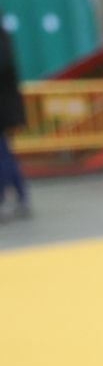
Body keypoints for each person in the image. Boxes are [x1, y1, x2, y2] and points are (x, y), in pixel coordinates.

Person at [0, 13, 28, 221]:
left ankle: (12, 198)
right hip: (6, 107)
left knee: (3, 156)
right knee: (4, 153)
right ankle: (20, 197)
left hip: (4, 109)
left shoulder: (2, 39)